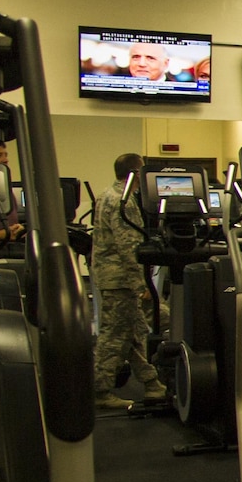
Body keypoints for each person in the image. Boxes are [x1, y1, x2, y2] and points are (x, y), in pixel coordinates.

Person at [93, 152, 166, 410]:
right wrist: (143, 283)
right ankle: (100, 390)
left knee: (134, 332)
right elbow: (128, 246)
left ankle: (152, 384)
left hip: (110, 275)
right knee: (114, 335)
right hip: (120, 278)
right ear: (137, 172)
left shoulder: (105, 194)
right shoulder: (123, 201)